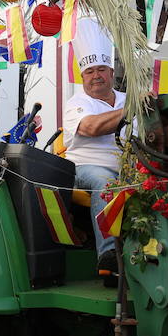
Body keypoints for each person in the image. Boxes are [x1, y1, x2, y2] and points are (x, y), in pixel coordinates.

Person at [61, 18, 127, 277]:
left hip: (129, 168)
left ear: (111, 72)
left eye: (101, 69)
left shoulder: (125, 97)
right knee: (105, 182)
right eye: (90, 72)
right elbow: (90, 128)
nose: (96, 76)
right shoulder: (77, 103)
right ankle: (108, 258)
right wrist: (132, 109)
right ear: (82, 76)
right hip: (86, 168)